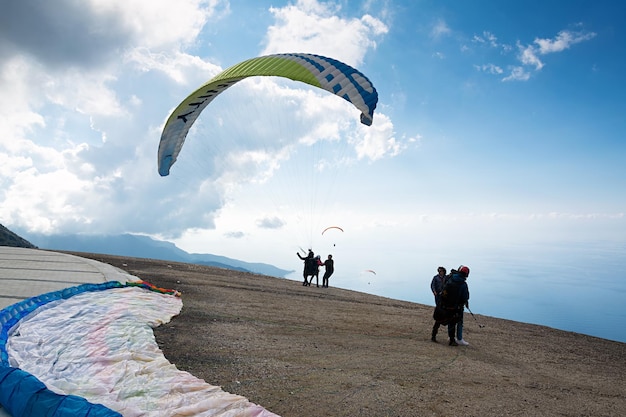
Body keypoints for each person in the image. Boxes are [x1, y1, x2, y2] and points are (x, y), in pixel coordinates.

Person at [446, 265, 470, 346]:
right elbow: (465, 296)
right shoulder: (463, 284)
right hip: (458, 307)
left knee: (450, 321)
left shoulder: (450, 278)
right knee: (459, 322)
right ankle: (459, 339)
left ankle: (450, 337)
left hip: (448, 304)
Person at [430, 267, 447, 342]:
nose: (440, 272)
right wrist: (434, 292)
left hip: (444, 296)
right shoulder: (435, 278)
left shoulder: (446, 278)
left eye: (441, 271)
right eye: (439, 271)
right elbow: (432, 285)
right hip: (438, 296)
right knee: (439, 310)